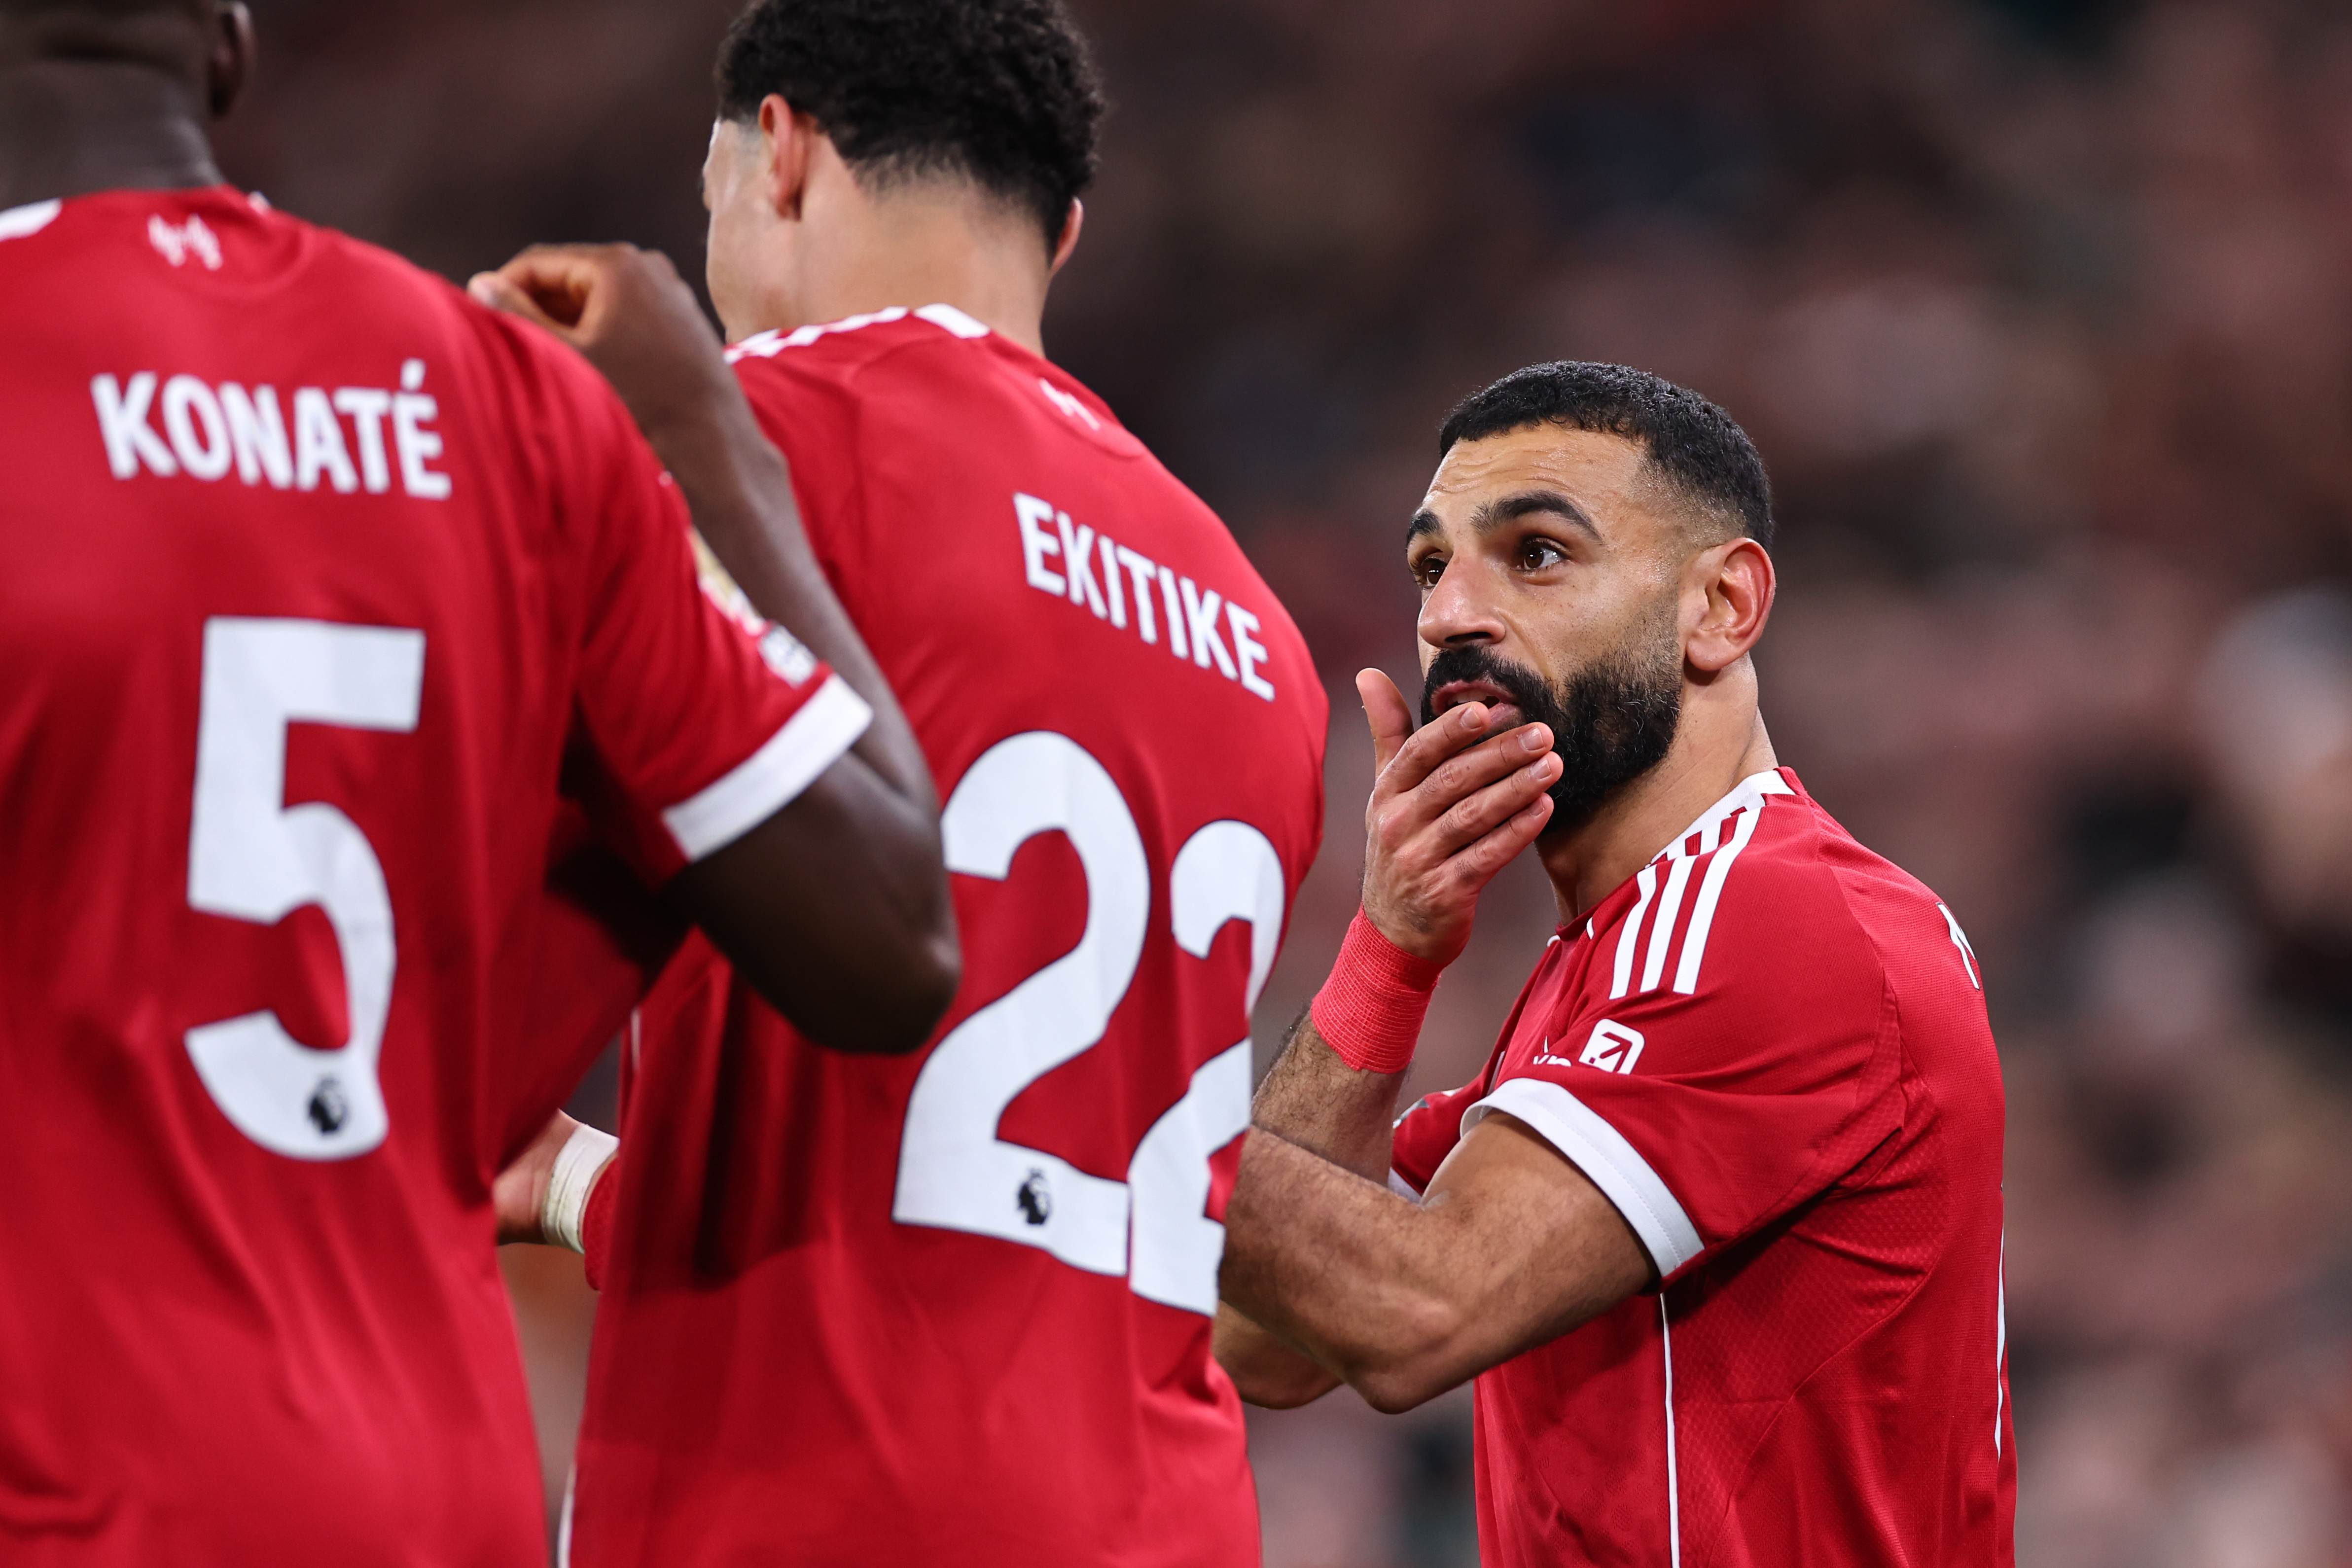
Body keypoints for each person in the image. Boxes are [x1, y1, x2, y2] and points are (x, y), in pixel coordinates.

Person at [0, 1, 957, 1561]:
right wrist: (718, 450)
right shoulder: (503, 399)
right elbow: (892, 926)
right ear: (227, 48)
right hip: (436, 1484)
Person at [475, 1, 1327, 1562]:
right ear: (1060, 234)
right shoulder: (1259, 637)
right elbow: (992, 1177)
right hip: (1167, 1511)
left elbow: (441, 1049)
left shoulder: (735, 457)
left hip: (808, 1501)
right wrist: (600, 1189)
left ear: (778, 158)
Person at [1213, 362, 2014, 1565]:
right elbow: (1262, 1337)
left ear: (1723, 608)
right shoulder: (1604, 965)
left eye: (1535, 554)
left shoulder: (1785, 918)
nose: (1448, 617)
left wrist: (1103, 1059)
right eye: (1433, 567)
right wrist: (1389, 954)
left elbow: (1417, 1311)